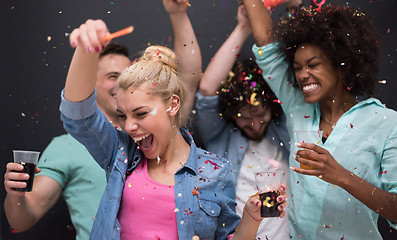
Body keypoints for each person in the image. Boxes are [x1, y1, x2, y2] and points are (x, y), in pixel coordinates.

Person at [59, 4, 287, 239]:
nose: (128, 126)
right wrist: (87, 51)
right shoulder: (120, 152)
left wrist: (251, 217)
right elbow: (78, 116)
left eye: (140, 114)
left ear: (173, 105)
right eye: (123, 116)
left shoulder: (215, 172)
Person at [243, 0, 397, 239]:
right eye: (297, 67)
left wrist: (341, 176)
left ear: (341, 64)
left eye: (313, 65)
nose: (304, 75)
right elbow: (266, 44)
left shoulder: (387, 123)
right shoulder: (298, 107)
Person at [4, 43, 130, 240]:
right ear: (90, 83)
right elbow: (21, 221)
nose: (122, 84)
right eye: (113, 77)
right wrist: (16, 192)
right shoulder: (66, 147)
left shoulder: (147, 137)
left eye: (127, 77)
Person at [195, 4, 291, 239]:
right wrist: (243, 27)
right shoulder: (220, 138)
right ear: (231, 115)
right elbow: (207, 88)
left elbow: (286, 75)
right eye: (245, 118)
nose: (256, 124)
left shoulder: (287, 133)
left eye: (261, 115)